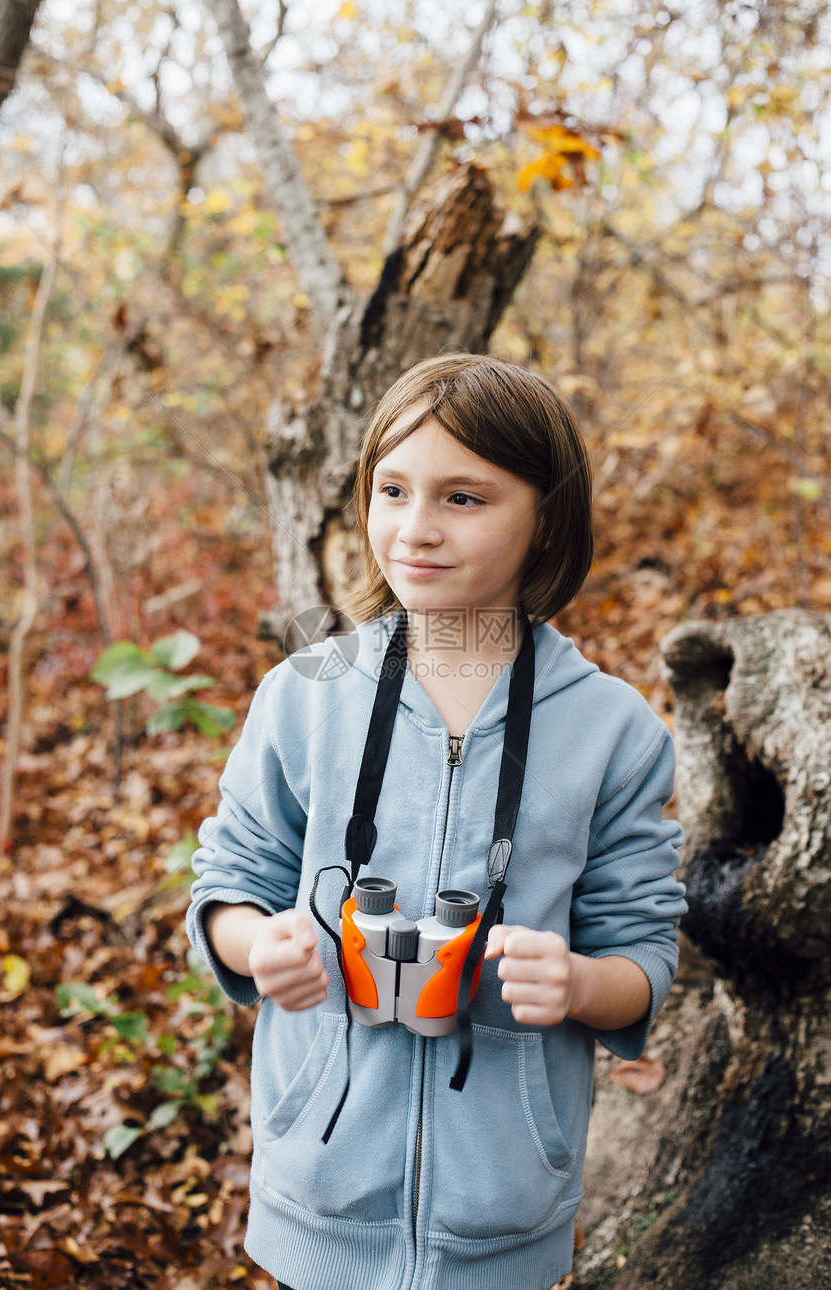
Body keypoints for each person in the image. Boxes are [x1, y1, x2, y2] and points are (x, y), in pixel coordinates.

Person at [186, 353, 686, 1290]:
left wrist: (578, 982)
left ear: (545, 522)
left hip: (503, 1221)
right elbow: (229, 882)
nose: (415, 528)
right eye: (392, 489)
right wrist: (258, 946)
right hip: (317, 1195)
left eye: (465, 498)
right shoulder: (305, 695)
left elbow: (644, 959)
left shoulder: (614, 731)